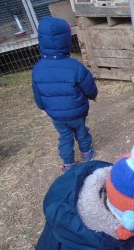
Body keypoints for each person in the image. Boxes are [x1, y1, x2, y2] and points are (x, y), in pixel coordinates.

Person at [32, 17, 98, 172]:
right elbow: (88, 84)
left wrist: (41, 106)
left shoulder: (38, 68)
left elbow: (37, 90)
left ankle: (68, 163)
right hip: (77, 112)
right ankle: (87, 154)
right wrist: (93, 95)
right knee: (81, 131)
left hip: (56, 115)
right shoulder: (74, 66)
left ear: (41, 41)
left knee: (65, 137)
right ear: (66, 40)